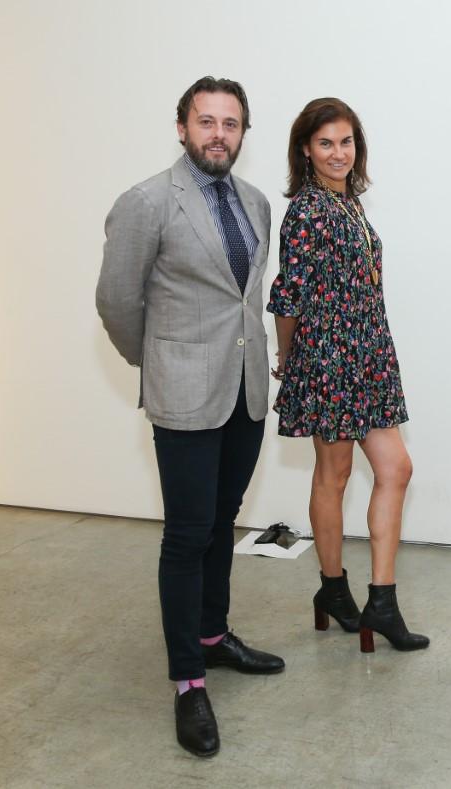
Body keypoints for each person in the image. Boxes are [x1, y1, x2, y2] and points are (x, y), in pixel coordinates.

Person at [96, 76, 285, 757]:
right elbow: (118, 302)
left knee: (221, 522)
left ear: (242, 133)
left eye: (230, 124)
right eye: (206, 121)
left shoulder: (258, 202)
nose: (218, 134)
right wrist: (162, 362)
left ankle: (213, 633)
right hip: (185, 396)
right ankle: (187, 679)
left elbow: (244, 300)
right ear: (182, 127)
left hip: (244, 394)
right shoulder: (148, 201)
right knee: (186, 534)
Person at [268, 98, 428, 654]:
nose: (338, 153)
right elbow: (287, 295)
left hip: (368, 352)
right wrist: (288, 361)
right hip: (330, 358)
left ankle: (379, 602)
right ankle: (335, 591)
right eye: (325, 143)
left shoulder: (351, 204)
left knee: (395, 469)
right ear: (306, 151)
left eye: (346, 142)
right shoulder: (307, 210)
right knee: (333, 475)